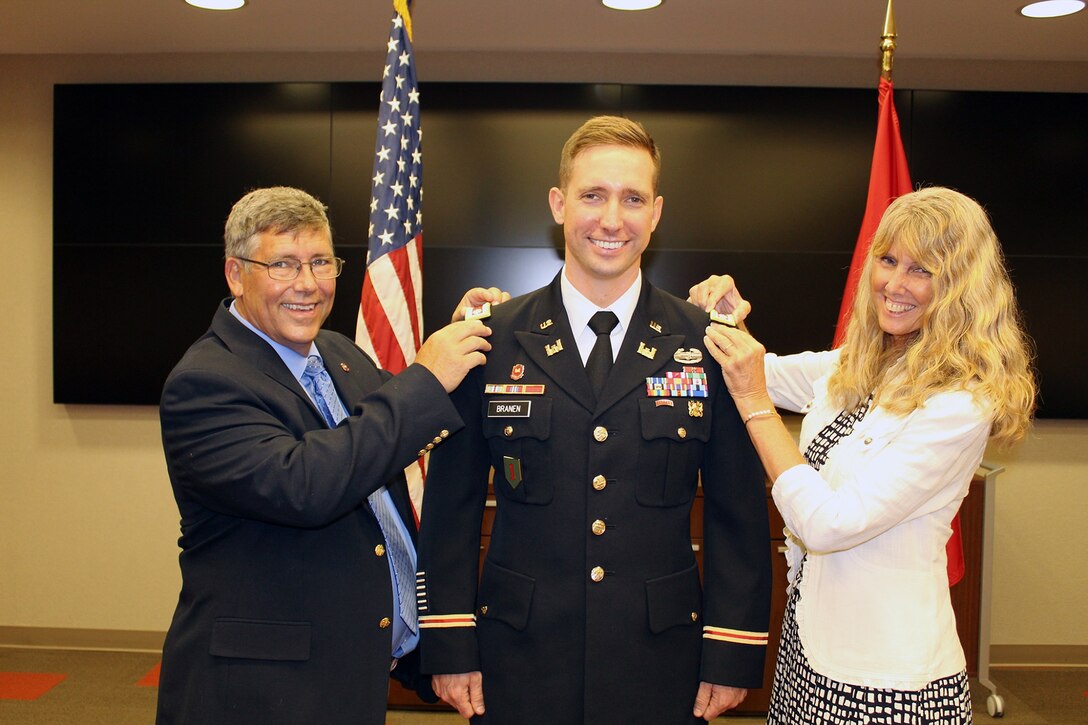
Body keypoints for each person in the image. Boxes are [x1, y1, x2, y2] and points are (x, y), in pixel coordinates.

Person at [415, 116, 772, 724]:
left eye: (632, 198)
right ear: (558, 204)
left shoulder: (706, 341)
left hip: (661, 660)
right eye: (592, 195)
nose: (612, 219)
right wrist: (450, 642)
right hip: (517, 657)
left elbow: (737, 515)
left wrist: (731, 650)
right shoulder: (490, 340)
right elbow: (451, 508)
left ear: (656, 213)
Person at [689, 186, 1036, 724]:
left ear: (961, 287)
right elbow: (766, 372)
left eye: (921, 269)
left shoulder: (962, 403)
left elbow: (830, 523)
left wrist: (755, 403)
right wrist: (725, 321)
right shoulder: (863, 362)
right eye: (888, 260)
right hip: (809, 652)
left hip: (887, 681)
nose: (894, 285)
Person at [156, 186, 495, 725]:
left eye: (320, 262)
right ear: (235, 274)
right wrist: (427, 376)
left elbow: (397, 430)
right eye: (283, 265)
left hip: (348, 678)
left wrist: (464, 343)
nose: (308, 285)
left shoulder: (338, 354)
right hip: (259, 696)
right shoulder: (204, 382)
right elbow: (308, 485)